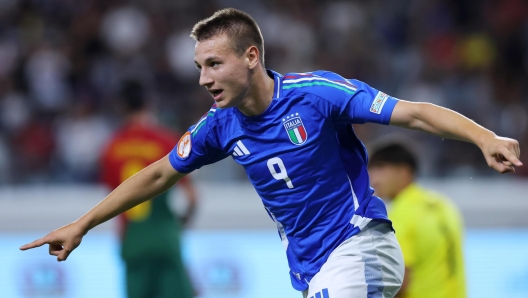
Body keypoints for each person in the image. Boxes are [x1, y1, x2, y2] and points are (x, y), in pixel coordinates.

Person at [20, 8, 522, 298]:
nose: (203, 79)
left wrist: (483, 137)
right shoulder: (220, 126)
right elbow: (156, 176)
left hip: (359, 247)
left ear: (251, 56)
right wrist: (83, 224)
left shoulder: (318, 93)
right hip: (308, 269)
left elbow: (411, 112)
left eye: (214, 64)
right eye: (199, 66)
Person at [100, 80, 197, 298]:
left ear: (122, 107)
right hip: (165, 236)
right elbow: (192, 198)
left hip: (133, 240)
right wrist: (179, 227)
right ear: (148, 104)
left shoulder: (112, 147)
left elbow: (113, 204)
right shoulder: (166, 141)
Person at [368, 142, 467, 298]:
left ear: (404, 172)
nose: (373, 178)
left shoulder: (402, 213)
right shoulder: (444, 206)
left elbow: (398, 281)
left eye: (380, 168)